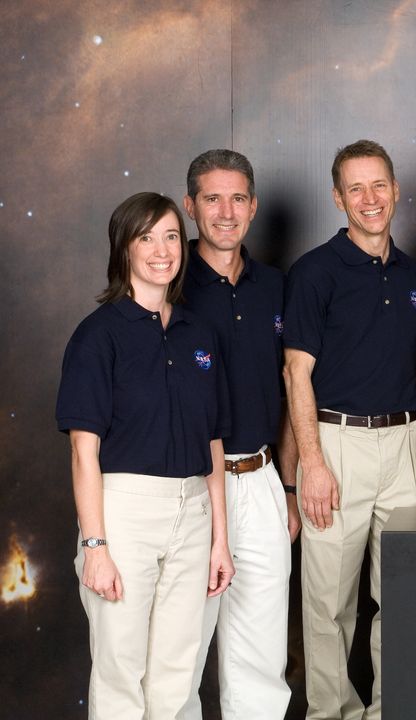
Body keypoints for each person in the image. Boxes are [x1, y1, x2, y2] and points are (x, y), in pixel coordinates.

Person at [56, 192, 235, 719]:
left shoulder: (198, 333)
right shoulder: (98, 336)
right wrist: (95, 546)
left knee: (179, 672)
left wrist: (219, 540)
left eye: (172, 236)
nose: (162, 250)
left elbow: (214, 445)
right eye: (147, 237)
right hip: (124, 513)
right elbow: (82, 450)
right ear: (125, 249)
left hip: (193, 510)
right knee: (120, 667)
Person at [283, 140, 416, 720]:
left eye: (379, 186)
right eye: (355, 189)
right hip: (335, 442)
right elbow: (297, 373)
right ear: (337, 198)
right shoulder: (316, 272)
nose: (369, 200)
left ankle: (389, 709)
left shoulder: (415, 272)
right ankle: (332, 712)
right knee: (328, 603)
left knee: (402, 593)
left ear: (395, 191)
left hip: (405, 444)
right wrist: (311, 465)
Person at [178, 149, 298, 720]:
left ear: (252, 207)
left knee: (261, 655)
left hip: (260, 478)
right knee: (179, 651)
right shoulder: (167, 285)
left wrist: (291, 490)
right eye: (212, 199)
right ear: (190, 206)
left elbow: (296, 387)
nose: (225, 212)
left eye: (237, 199)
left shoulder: (276, 286)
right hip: (188, 488)